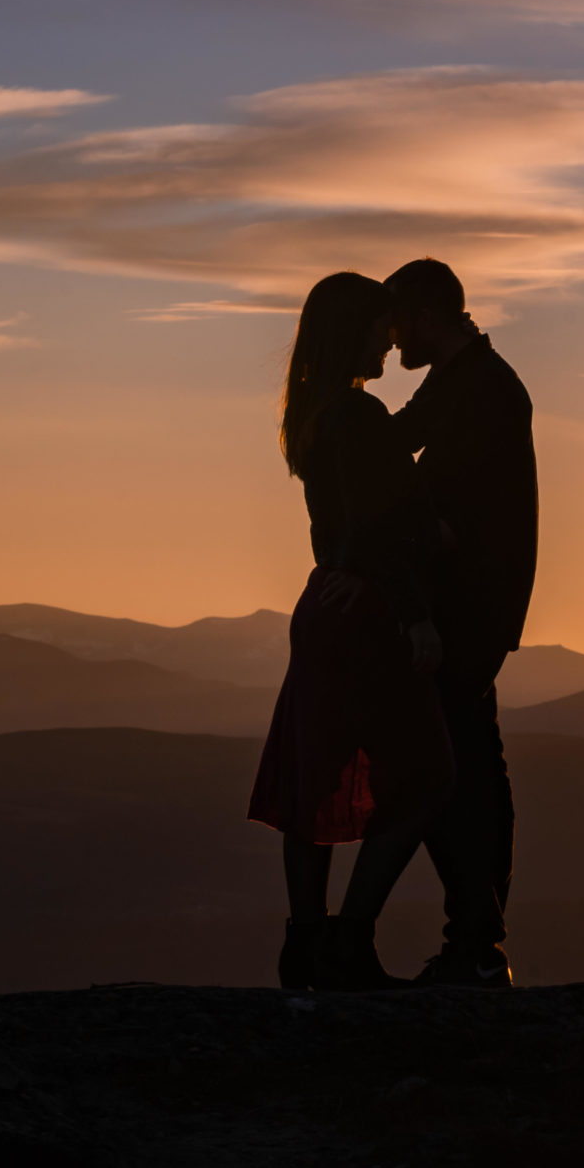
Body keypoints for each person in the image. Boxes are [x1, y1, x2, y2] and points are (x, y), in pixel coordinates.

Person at [246, 272, 453, 991]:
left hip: (324, 608)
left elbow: (341, 524)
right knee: (427, 777)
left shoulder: (313, 417)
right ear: (352, 331)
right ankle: (349, 941)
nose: (389, 338)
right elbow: (386, 524)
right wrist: (416, 612)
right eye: (378, 326)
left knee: (317, 776)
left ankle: (305, 944)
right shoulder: (361, 419)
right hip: (368, 616)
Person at [382, 258, 536, 988]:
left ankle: (474, 943)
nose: (390, 337)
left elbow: (450, 506)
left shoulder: (481, 389)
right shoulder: (466, 381)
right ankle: (477, 941)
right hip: (476, 615)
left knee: (449, 772)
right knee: (473, 769)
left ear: (428, 317)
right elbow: (401, 440)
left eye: (396, 320)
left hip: (464, 616)